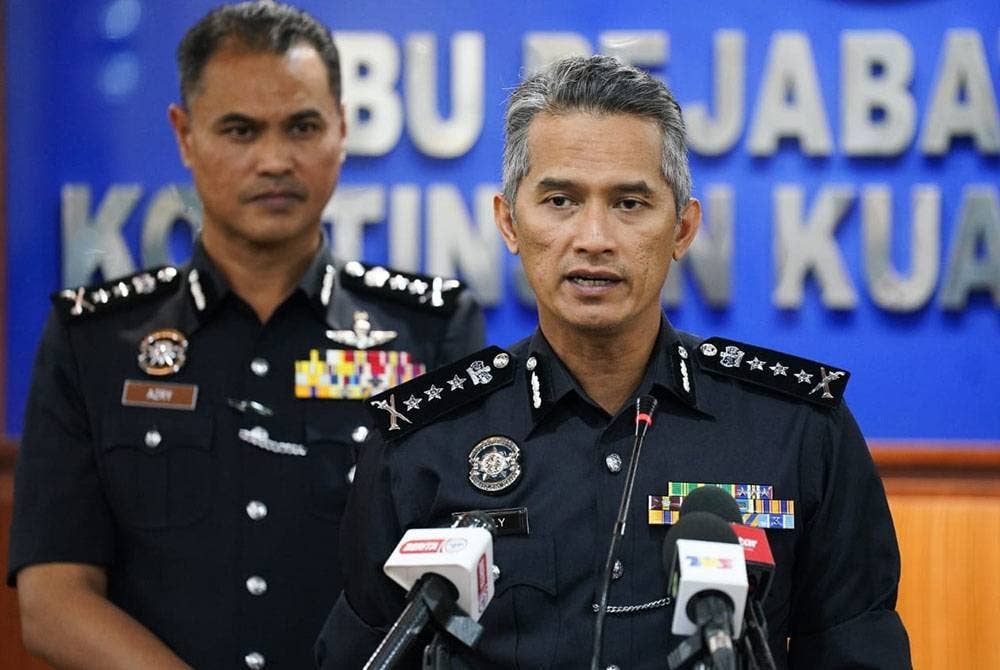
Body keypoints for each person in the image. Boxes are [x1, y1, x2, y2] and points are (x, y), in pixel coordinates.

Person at [316, 55, 911, 669]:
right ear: (509, 221)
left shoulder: (799, 430)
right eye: (560, 200)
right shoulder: (421, 443)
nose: (594, 237)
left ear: (682, 228)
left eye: (630, 203)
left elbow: (858, 652)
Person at [7, 3, 484, 669]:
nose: (274, 159)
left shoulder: (431, 333)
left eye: (302, 126)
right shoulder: (94, 339)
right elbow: (52, 598)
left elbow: (467, 588)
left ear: (343, 129)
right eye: (240, 129)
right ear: (184, 135)